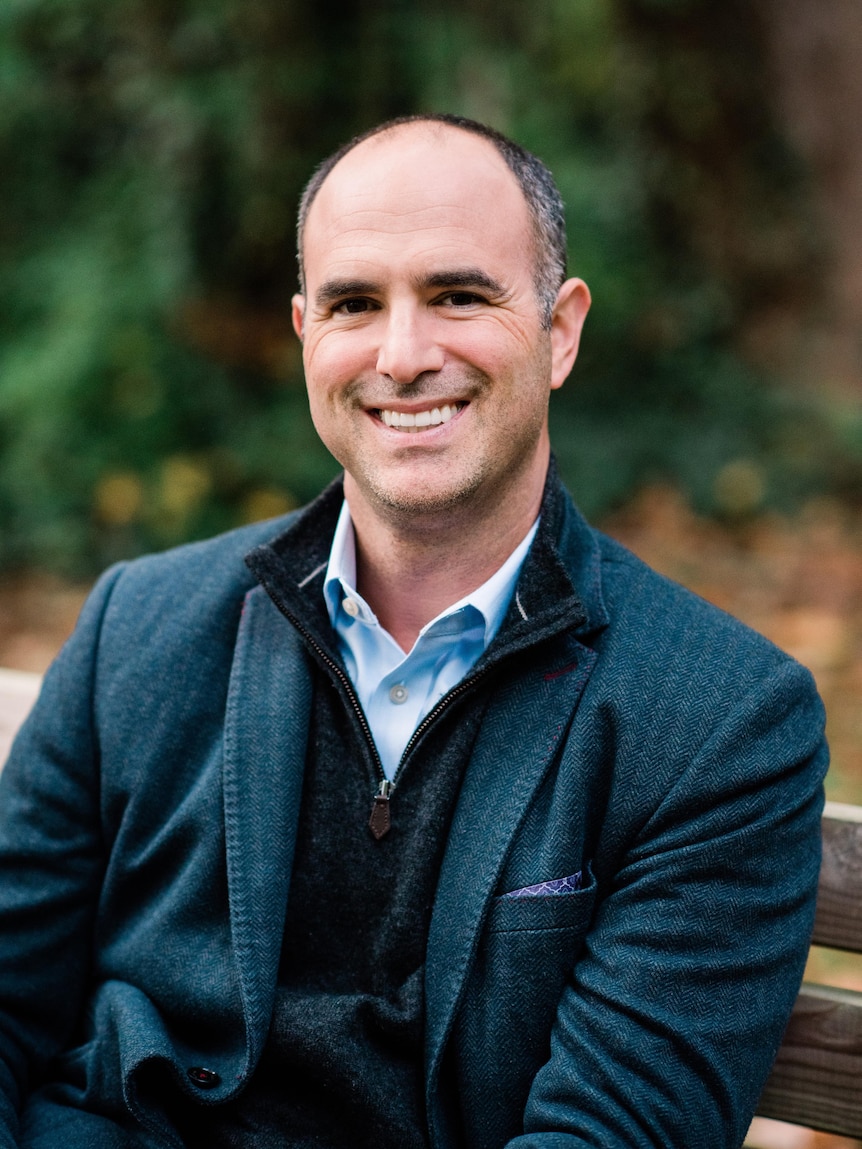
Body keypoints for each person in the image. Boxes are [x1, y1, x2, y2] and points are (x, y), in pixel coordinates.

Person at [0, 114, 827, 1149]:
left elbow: (608, 1134)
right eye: (354, 304)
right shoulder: (142, 627)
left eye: (458, 296)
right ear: (306, 333)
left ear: (560, 330)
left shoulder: (717, 722)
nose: (401, 355)